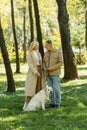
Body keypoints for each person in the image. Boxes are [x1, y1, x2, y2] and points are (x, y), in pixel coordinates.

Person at [23, 41, 43, 110]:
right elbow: (30, 65)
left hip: (40, 71)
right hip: (33, 72)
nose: (38, 46)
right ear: (33, 46)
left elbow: (41, 62)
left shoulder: (38, 53)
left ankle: (36, 105)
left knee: (38, 88)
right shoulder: (30, 54)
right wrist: (36, 72)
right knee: (30, 90)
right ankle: (26, 105)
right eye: (36, 45)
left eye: (38, 45)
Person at [43, 40, 63, 108]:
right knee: (50, 89)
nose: (45, 47)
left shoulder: (58, 52)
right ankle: (52, 102)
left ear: (50, 45)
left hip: (55, 74)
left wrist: (51, 68)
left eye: (46, 46)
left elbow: (60, 63)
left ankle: (57, 103)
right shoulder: (46, 53)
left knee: (56, 88)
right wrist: (44, 67)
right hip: (48, 74)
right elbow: (43, 62)